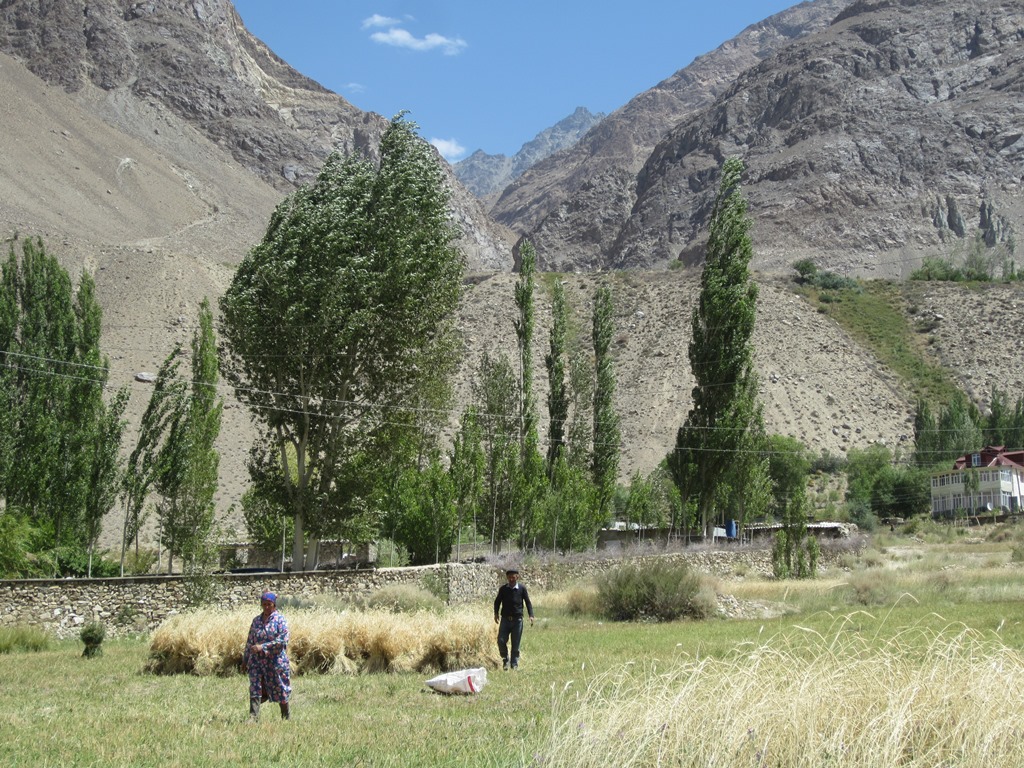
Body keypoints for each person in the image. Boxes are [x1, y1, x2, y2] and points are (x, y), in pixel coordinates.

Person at [243, 591, 291, 721]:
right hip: (257, 662)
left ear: (274, 605)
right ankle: (253, 717)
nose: (266, 607)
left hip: (275, 662)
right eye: (264, 604)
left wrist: (263, 647)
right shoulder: (256, 621)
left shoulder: (280, 620)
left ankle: (285, 716)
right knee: (255, 686)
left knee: (280, 688)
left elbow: (282, 641)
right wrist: (245, 658)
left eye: (269, 604)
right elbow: (250, 641)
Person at [493, 568, 534, 670]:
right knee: (501, 641)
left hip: (517, 620)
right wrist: (496, 613)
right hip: (505, 620)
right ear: (507, 577)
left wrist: (531, 615)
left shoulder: (522, 589)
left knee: (515, 644)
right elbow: (497, 602)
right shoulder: (503, 589)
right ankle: (505, 660)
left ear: (517, 577)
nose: (511, 579)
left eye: (513, 577)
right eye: (509, 577)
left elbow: (528, 602)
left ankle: (514, 664)